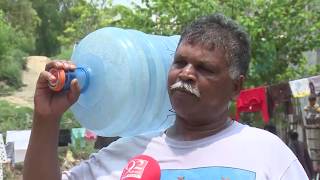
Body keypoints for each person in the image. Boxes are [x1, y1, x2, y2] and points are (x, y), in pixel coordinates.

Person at [23, 13, 308, 179]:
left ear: (236, 87)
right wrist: (46, 118)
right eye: (180, 62)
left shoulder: (267, 155)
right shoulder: (128, 154)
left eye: (204, 68)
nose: (186, 74)